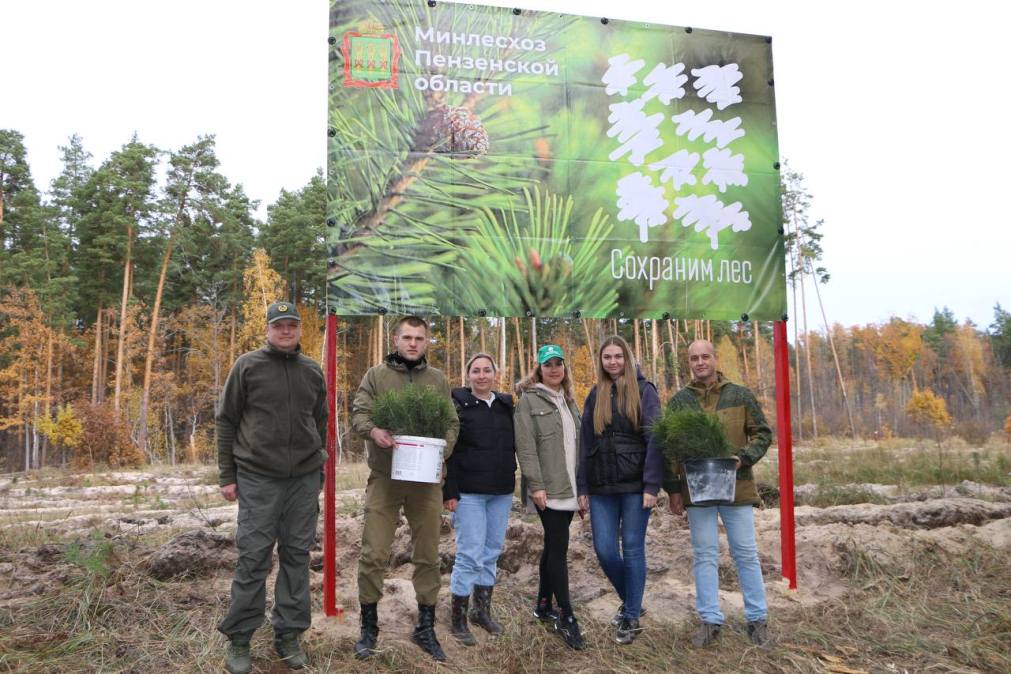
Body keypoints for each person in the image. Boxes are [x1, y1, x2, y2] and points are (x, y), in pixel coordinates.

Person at [216, 301, 327, 674]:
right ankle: (241, 638)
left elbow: (320, 420)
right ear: (267, 329)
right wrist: (226, 475)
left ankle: (289, 634)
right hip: (259, 477)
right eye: (278, 325)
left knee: (297, 557)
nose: (285, 331)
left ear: (299, 329)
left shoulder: (312, 370)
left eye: (292, 325)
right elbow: (227, 420)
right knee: (254, 557)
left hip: (303, 480)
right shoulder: (247, 366)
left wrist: (319, 468)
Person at [350, 315, 459, 662]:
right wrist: (374, 432)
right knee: (374, 553)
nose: (413, 343)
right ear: (395, 339)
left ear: (427, 342)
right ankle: (369, 627)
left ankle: (425, 627)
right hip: (386, 478)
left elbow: (452, 422)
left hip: (426, 483)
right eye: (407, 337)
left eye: (420, 338)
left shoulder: (437, 380)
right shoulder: (376, 376)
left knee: (428, 555)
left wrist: (444, 449)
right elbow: (359, 415)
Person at [664, 339, 774, 648]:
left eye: (705, 357)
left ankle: (757, 619)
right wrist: (673, 489)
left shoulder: (739, 395)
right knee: (704, 554)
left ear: (715, 359)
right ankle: (710, 620)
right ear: (689, 363)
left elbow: (762, 433)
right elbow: (669, 450)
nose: (700, 362)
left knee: (746, 554)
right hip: (697, 490)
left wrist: (744, 457)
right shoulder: (679, 402)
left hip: (736, 487)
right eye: (694, 358)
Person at [577, 335, 663, 645]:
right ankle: (633, 603)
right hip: (601, 486)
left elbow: (656, 438)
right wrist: (583, 487)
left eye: (617, 356)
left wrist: (652, 485)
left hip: (635, 485)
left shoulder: (644, 391)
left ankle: (630, 618)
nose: (613, 362)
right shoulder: (594, 395)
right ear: (601, 362)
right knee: (604, 549)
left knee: (632, 547)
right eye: (607, 357)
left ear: (627, 358)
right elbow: (585, 443)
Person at [514, 344, 585, 650]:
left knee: (554, 546)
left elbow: (579, 447)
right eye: (548, 364)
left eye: (559, 363)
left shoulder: (569, 402)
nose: (554, 368)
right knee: (558, 549)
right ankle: (566, 616)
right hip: (548, 489)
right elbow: (526, 447)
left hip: (570, 488)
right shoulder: (529, 401)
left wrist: (584, 488)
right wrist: (536, 485)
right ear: (538, 368)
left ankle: (543, 605)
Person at [443, 353, 516, 645]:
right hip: (469, 492)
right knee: (470, 554)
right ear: (468, 375)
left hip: (501, 490)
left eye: (487, 370)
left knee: (491, 551)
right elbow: (450, 452)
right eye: (476, 371)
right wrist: (449, 492)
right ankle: (458, 619)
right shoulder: (457, 406)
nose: (482, 375)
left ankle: (481, 611)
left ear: (495, 374)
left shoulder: (505, 406)